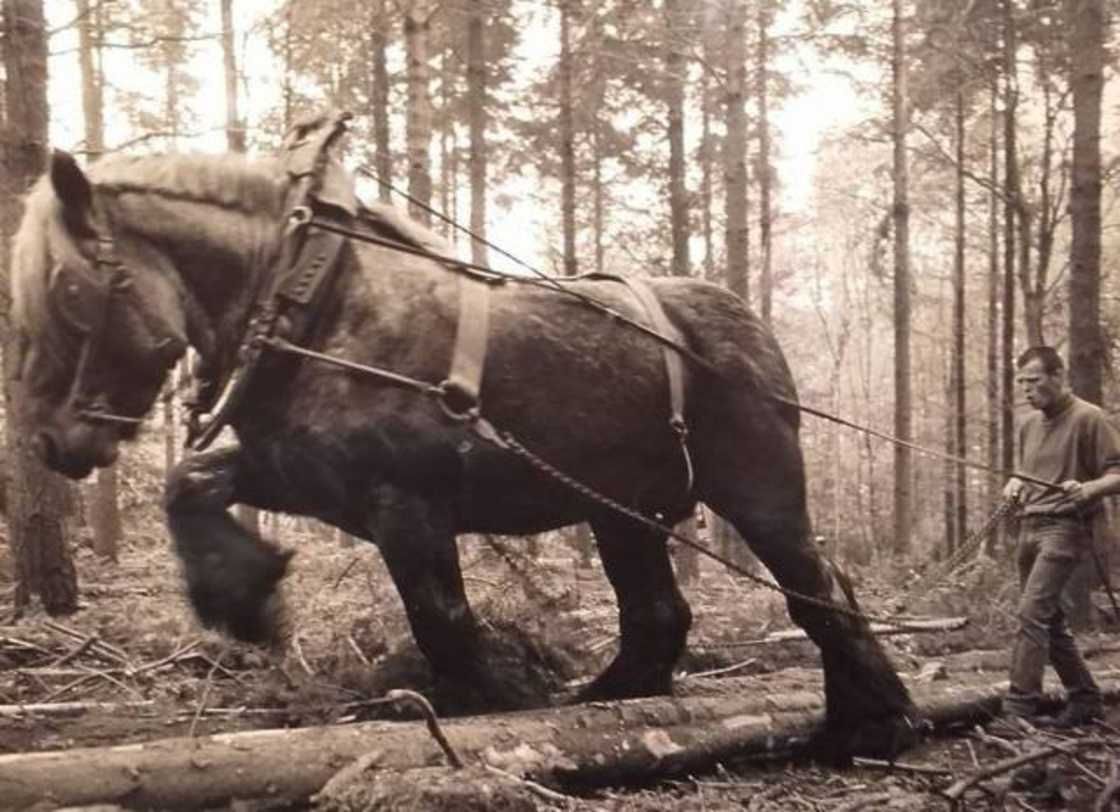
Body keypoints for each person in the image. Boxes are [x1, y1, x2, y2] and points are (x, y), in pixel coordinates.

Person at [1002, 346, 1120, 728]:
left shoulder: (1090, 418)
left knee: (1031, 613)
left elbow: (1117, 473)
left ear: (1058, 376)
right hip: (1030, 525)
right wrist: (1017, 480)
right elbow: (1029, 468)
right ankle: (1085, 698)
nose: (1026, 390)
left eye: (1034, 381)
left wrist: (1089, 489)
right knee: (1048, 620)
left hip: (1067, 528)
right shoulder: (1028, 425)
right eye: (1021, 382)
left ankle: (1019, 709)